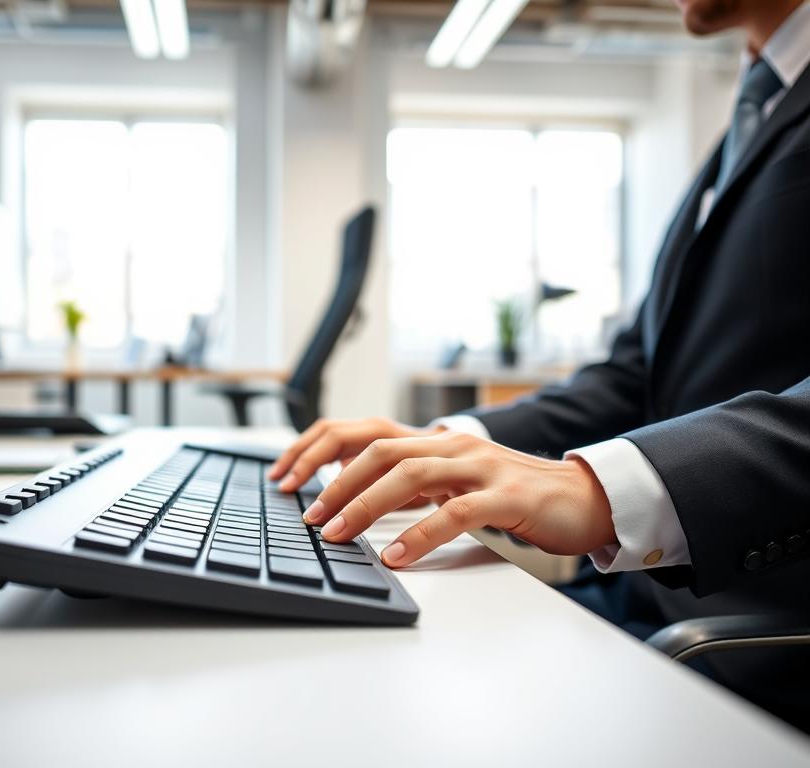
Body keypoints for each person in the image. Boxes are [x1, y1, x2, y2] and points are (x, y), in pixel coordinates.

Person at [271, 0, 810, 730]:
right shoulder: (753, 113)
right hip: (646, 603)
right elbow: (635, 375)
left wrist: (607, 488)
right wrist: (444, 442)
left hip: (749, 643)